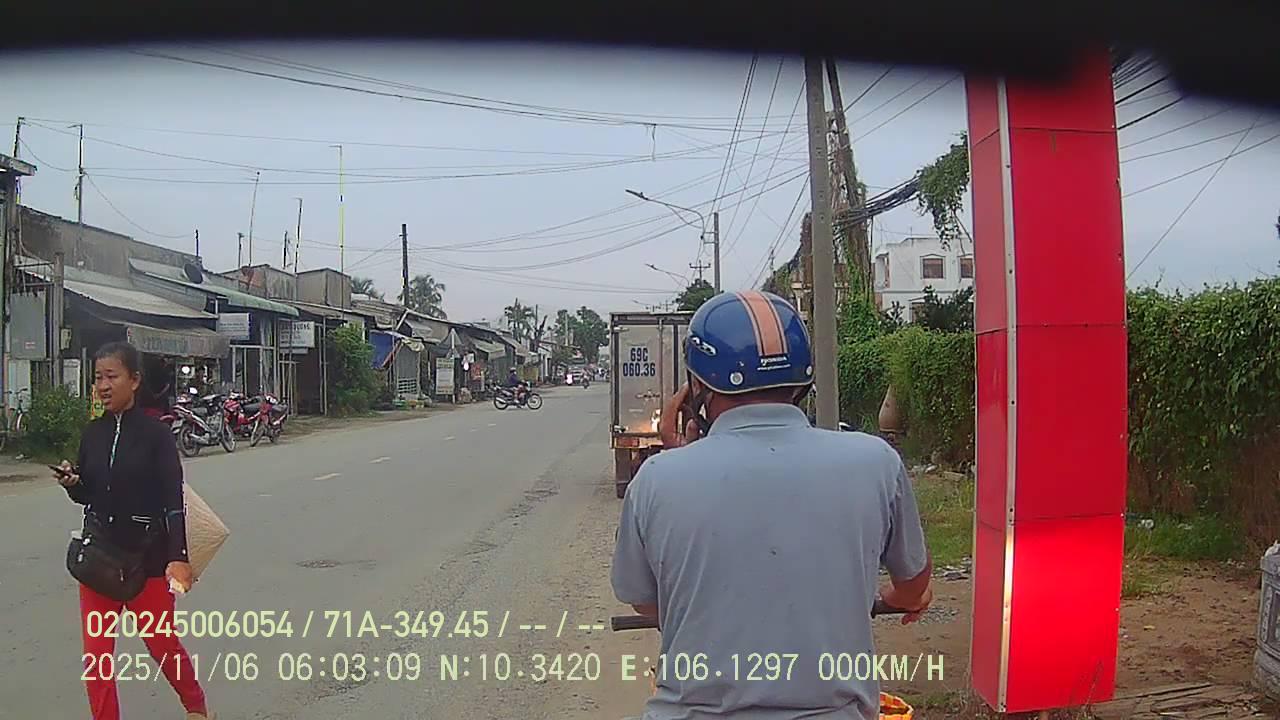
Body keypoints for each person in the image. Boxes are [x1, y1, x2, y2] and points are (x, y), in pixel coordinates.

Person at [611, 290, 932, 720]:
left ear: (697, 386)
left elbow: (645, 601)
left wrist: (683, 461)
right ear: (803, 378)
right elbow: (913, 584)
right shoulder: (875, 461)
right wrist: (897, 598)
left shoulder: (657, 478)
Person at [55, 341, 213, 720]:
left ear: (135, 380)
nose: (103, 386)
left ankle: (196, 707)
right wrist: (73, 483)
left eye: (112, 376)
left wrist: (179, 558)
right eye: (98, 378)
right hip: (100, 559)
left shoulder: (157, 436)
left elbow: (173, 501)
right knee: (97, 659)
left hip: (149, 562)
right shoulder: (92, 434)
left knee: (162, 644)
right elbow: (90, 494)